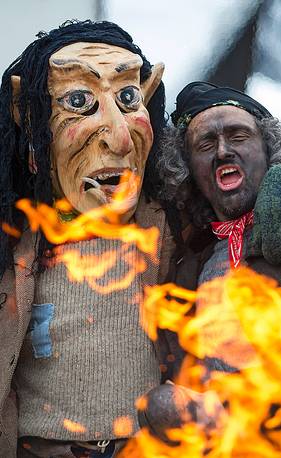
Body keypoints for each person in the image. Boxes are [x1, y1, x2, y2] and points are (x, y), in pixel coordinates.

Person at [0, 19, 173, 458]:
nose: (117, 137)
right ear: (30, 117)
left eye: (128, 97)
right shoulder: (15, 240)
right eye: (79, 101)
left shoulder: (166, 229)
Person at [138, 81, 281, 442]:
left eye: (238, 135)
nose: (223, 151)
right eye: (205, 144)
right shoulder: (190, 261)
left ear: (267, 149)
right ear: (187, 168)